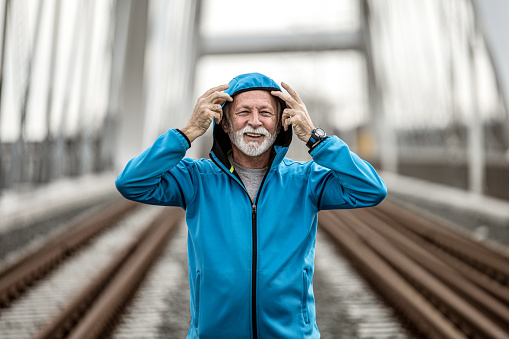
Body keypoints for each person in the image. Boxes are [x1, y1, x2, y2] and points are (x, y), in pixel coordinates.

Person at [115, 72, 387, 338]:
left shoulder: (305, 181)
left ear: (282, 123)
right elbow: (131, 183)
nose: (254, 122)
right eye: (243, 112)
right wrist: (186, 134)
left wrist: (316, 139)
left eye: (266, 113)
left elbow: (371, 190)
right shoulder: (196, 179)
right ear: (224, 123)